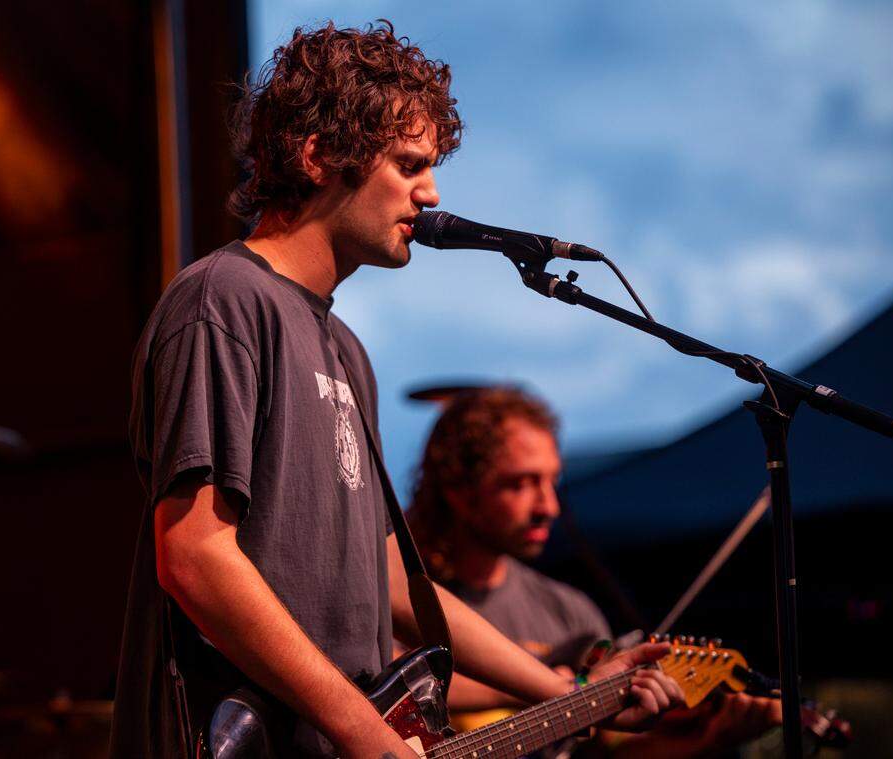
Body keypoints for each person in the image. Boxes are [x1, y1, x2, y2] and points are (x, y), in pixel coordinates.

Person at [109, 21, 683, 758]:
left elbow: (393, 585)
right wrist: (362, 730)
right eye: (409, 164)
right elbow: (195, 556)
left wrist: (571, 692)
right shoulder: (223, 301)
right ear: (317, 155)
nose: (432, 191)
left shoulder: (346, 350)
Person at [408, 386, 782, 757]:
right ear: (457, 488)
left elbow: (611, 753)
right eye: (522, 483)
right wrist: (550, 685)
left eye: (553, 481)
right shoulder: (398, 599)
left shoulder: (570, 611)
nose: (550, 506)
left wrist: (709, 741)